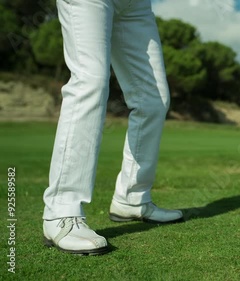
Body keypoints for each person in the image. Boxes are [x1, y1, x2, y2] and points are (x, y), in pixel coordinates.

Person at [42, 0, 183, 255]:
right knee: (91, 82)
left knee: (153, 100)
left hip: (135, 6)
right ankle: (60, 212)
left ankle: (132, 198)